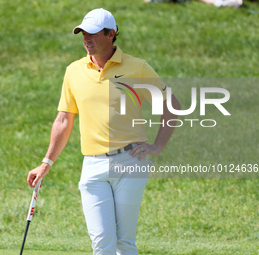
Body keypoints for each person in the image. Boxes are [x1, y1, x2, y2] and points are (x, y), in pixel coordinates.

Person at [27, 8, 181, 255]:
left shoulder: (137, 68)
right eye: (82, 33)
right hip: (92, 166)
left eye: (92, 34)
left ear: (111, 34)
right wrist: (46, 162)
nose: (86, 39)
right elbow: (64, 120)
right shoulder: (74, 71)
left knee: (124, 242)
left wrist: (157, 146)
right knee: (101, 243)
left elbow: (172, 106)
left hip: (130, 161)